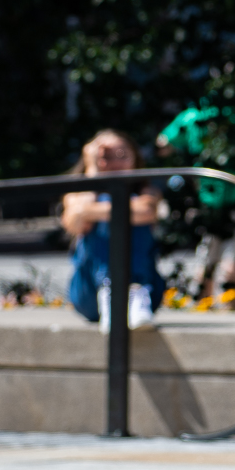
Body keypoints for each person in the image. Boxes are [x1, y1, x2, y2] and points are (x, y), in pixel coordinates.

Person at [156, 103, 235, 303]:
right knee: (224, 265)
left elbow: (163, 145)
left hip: (216, 203)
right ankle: (222, 308)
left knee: (211, 264)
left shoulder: (195, 118)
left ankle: (208, 306)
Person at [61, 129, 165, 331]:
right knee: (117, 203)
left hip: (145, 292)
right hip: (90, 292)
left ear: (135, 158)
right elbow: (75, 221)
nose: (115, 162)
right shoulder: (77, 192)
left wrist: (91, 212)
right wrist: (93, 172)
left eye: (122, 155)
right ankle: (110, 290)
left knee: (122, 203)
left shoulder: (148, 191)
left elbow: (146, 211)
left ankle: (132, 289)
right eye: (105, 156)